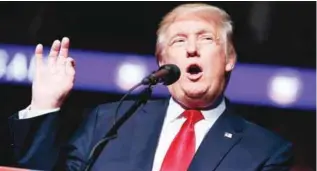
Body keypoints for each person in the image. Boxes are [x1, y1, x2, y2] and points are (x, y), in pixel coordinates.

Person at [7, 3, 294, 171]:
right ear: (162, 60)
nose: (191, 48)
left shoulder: (267, 150)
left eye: (206, 39)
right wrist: (45, 105)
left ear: (229, 58)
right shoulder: (108, 122)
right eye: (178, 41)